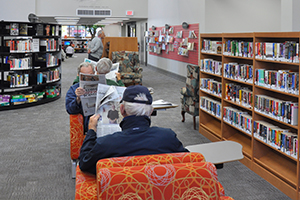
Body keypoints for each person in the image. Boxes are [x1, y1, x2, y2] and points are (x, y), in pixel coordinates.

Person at [79, 85, 189, 174]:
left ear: (122, 110)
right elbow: (188, 161)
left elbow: (84, 163)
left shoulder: (106, 144)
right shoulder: (168, 137)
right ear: (151, 111)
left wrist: (91, 131)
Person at [65, 62, 95, 133]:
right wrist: (78, 99)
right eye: (84, 75)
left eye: (90, 75)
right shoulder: (73, 89)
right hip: (88, 122)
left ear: (94, 73)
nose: (87, 78)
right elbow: (70, 109)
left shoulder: (100, 84)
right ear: (79, 75)